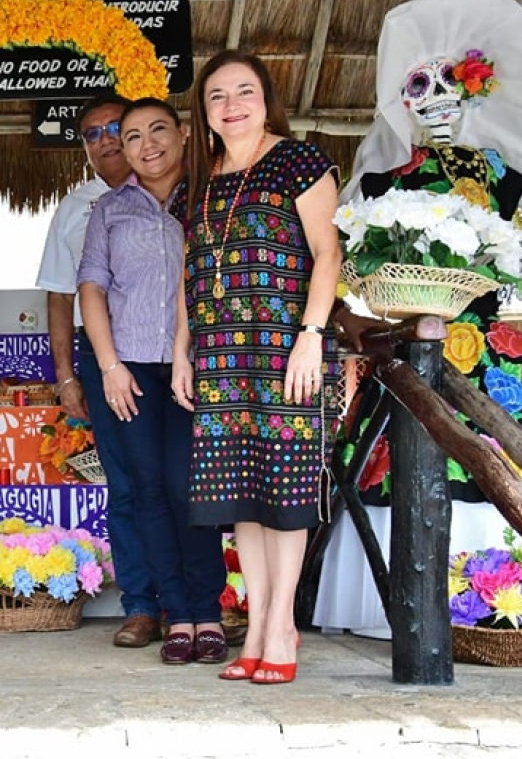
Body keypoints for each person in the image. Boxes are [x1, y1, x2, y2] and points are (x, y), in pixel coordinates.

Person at [315, 0, 522, 638]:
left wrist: (519, 245)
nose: (439, 102)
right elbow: (337, 248)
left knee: (517, 444)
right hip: (405, 341)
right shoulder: (385, 178)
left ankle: (512, 601)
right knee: (397, 449)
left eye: (453, 87)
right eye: (422, 89)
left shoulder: (496, 172)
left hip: (483, 341)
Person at [171, 50, 341, 686]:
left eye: (245, 91)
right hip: (220, 354)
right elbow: (191, 272)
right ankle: (260, 615)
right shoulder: (199, 178)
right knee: (240, 492)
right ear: (203, 112)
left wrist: (312, 336)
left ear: (266, 98)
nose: (232, 104)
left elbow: (328, 254)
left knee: (285, 489)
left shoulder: (300, 161)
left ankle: (280, 624)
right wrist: (182, 347)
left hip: (283, 350)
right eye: (217, 95)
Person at [78, 98, 227, 665]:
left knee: (190, 488)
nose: (146, 144)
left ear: (183, 134)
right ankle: (177, 616)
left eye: (157, 130)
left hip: (200, 367)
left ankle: (207, 610)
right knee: (147, 492)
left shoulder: (213, 199)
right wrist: (110, 365)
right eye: (132, 135)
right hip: (133, 368)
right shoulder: (109, 211)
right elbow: (91, 288)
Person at [35, 95, 160, 648]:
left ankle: (199, 603)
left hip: (172, 354)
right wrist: (68, 376)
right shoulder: (77, 207)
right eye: (92, 134)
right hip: (104, 360)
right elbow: (61, 297)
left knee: (184, 481)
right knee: (127, 484)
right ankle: (140, 605)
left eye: (117, 128)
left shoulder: (178, 191)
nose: (107, 140)